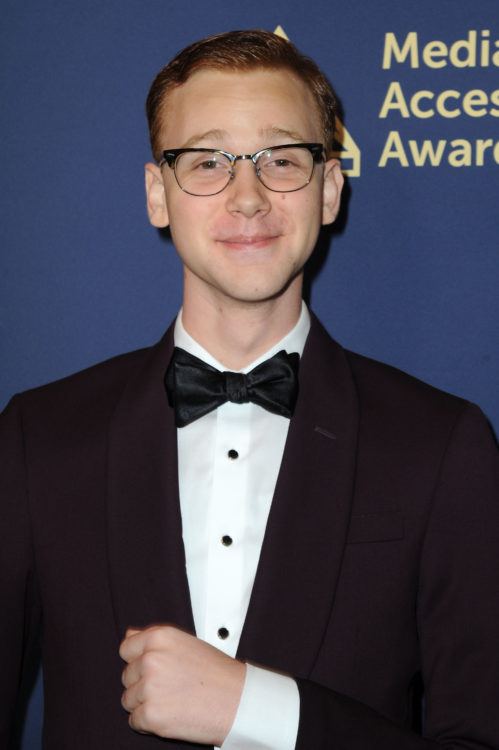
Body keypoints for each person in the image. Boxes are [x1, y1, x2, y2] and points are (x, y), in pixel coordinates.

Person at [1, 29, 498, 750]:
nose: (247, 196)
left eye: (281, 160)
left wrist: (259, 711)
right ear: (156, 195)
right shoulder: (35, 439)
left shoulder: (441, 444)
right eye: (206, 161)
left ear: (329, 189)